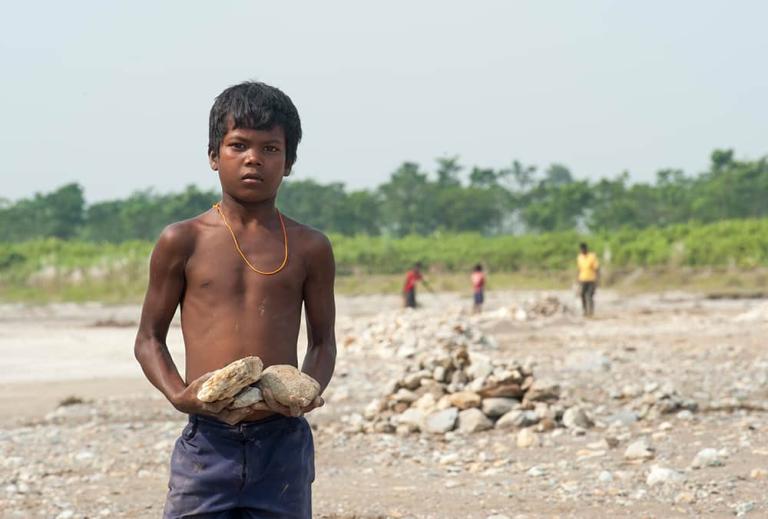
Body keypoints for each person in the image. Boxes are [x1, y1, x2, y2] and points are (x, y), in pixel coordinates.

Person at [133, 81, 336, 519]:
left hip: (282, 441)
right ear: (213, 155)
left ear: (289, 162)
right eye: (238, 145)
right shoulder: (182, 240)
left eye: (270, 149)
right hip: (208, 441)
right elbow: (149, 338)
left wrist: (310, 389)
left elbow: (323, 343)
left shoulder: (309, 247)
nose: (253, 159)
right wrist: (178, 395)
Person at [577, 242, 599, 317]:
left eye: (583, 249)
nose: (582, 251)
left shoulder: (592, 256)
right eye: (581, 250)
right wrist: (578, 279)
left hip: (591, 279)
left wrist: (597, 279)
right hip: (582, 279)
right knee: (582, 295)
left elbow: (596, 268)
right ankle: (585, 311)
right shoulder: (579, 257)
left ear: (586, 249)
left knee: (590, 295)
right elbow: (579, 269)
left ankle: (591, 311)